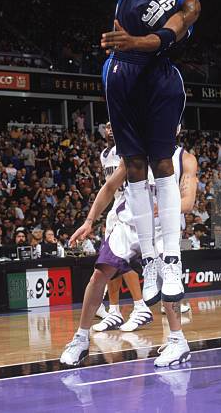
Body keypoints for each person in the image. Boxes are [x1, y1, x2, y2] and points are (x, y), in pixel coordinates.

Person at [99, 0, 201, 306]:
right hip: (120, 70)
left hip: (156, 74)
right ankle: (154, 266)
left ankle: (173, 260)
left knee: (164, 164)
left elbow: (172, 33)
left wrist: (133, 40)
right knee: (134, 166)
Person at [61, 145, 198, 367]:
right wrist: (89, 221)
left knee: (167, 280)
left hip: (163, 227)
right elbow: (109, 187)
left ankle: (177, 340)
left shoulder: (185, 158)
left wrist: (160, 209)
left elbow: (188, 202)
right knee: (99, 275)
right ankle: (81, 338)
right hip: (128, 223)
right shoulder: (134, 154)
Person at [93, 122, 147, 331]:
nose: (110, 129)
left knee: (122, 258)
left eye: (114, 125)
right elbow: (108, 184)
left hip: (131, 203)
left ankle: (140, 305)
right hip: (116, 206)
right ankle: (114, 311)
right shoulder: (105, 155)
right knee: (109, 260)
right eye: (107, 127)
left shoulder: (129, 147)